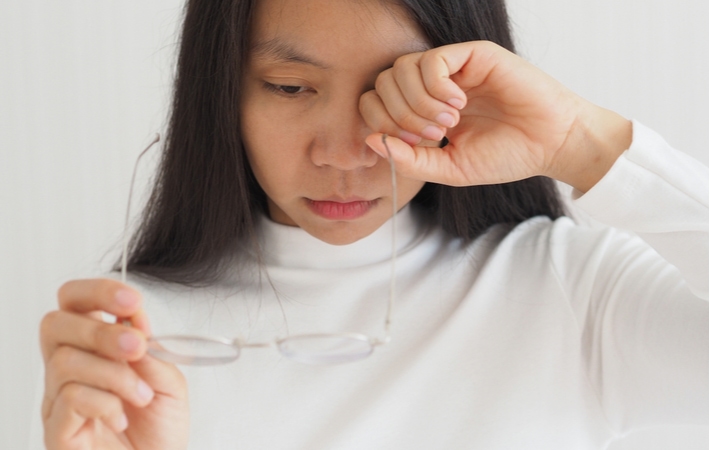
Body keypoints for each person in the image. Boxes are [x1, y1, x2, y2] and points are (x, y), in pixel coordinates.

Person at [38, 0, 708, 448]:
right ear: (222, 93)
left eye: (393, 89)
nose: (342, 152)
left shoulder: (570, 290)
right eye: (290, 87)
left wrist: (579, 140)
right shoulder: (132, 346)